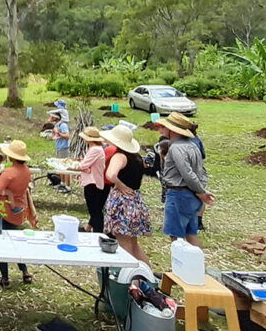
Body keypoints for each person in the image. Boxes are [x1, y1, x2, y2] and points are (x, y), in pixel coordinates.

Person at [0, 140, 37, 287]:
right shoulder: (27, 171)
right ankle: (25, 271)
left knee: (2, 245)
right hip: (19, 209)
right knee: (16, 244)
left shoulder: (8, 173)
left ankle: (5, 277)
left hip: (3, 210)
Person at [157, 114, 214, 247]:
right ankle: (198, 264)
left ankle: (181, 266)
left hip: (179, 194)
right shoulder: (193, 146)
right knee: (190, 234)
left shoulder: (176, 148)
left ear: (173, 130)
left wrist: (201, 192)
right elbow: (201, 171)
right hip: (191, 196)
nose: (161, 131)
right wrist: (200, 190)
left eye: (164, 127)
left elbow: (187, 173)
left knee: (176, 237)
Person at [100, 125, 151, 268]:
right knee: (134, 243)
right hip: (135, 200)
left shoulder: (119, 156)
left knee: (124, 243)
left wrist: (120, 185)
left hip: (122, 202)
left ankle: (130, 278)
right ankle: (147, 275)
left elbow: (110, 175)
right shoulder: (137, 157)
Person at [78, 126, 108, 233]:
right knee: (95, 210)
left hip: (93, 182)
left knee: (94, 211)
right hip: (94, 180)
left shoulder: (95, 149)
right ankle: (92, 230)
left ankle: (98, 232)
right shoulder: (95, 149)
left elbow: (83, 165)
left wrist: (79, 165)